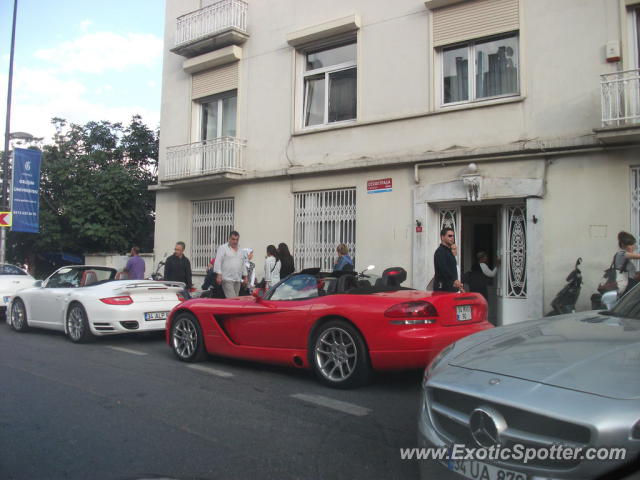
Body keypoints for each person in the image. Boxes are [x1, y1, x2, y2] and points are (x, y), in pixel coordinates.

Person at [214, 231, 248, 298]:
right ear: (229, 239)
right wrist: (219, 275)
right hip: (227, 279)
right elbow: (218, 261)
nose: (235, 241)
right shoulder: (223, 248)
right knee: (233, 299)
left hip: (237, 279)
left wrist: (246, 277)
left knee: (235, 301)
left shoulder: (241, 250)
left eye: (237, 239)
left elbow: (243, 264)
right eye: (233, 239)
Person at [433, 228, 463, 292]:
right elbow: (443, 269)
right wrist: (454, 281)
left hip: (451, 288)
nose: (452, 237)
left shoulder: (449, 251)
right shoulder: (440, 251)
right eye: (449, 236)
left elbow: (453, 269)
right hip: (443, 289)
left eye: (453, 236)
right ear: (442, 237)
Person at [615, 231, 640, 295]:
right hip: (625, 288)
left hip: (628, 286)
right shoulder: (622, 254)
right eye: (631, 244)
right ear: (624, 245)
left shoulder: (623, 256)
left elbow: (629, 273)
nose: (633, 247)